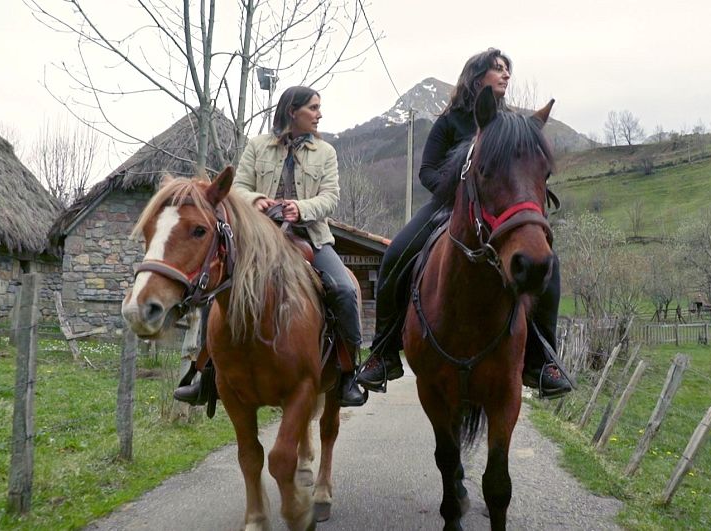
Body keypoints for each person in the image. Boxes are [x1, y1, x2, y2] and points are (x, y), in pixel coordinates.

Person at [356, 48, 572, 399]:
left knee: (550, 263)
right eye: (498, 69)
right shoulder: (450, 120)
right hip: (448, 208)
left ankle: (543, 359)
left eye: (507, 70)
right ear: (477, 76)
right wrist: (458, 188)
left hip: (495, 214)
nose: (505, 75)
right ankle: (382, 352)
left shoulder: (512, 125)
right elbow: (427, 170)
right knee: (397, 252)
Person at [174, 86, 367, 407]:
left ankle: (348, 374)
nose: (320, 114)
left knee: (345, 290)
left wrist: (299, 208)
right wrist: (257, 200)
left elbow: (330, 197)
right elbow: (238, 189)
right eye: (314, 108)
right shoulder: (257, 146)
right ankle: (206, 374)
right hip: (258, 237)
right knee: (217, 285)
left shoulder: (326, 153)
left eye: (319, 108)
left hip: (310, 237)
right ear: (293, 111)